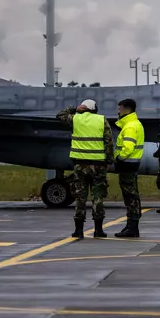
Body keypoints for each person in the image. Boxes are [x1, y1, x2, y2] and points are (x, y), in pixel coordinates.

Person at [57, 97, 113, 240]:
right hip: (98, 166)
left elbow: (60, 115)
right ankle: (98, 230)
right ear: (95, 109)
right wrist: (109, 161)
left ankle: (79, 230)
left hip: (80, 165)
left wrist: (74, 108)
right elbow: (109, 142)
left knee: (80, 198)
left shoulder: (76, 119)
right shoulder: (102, 120)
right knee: (98, 197)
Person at [113, 97, 145, 239]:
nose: (118, 112)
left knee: (130, 197)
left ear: (127, 110)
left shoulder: (130, 126)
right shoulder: (134, 123)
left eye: (120, 109)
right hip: (131, 165)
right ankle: (131, 226)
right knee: (132, 195)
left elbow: (128, 147)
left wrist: (119, 158)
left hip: (127, 165)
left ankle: (132, 228)